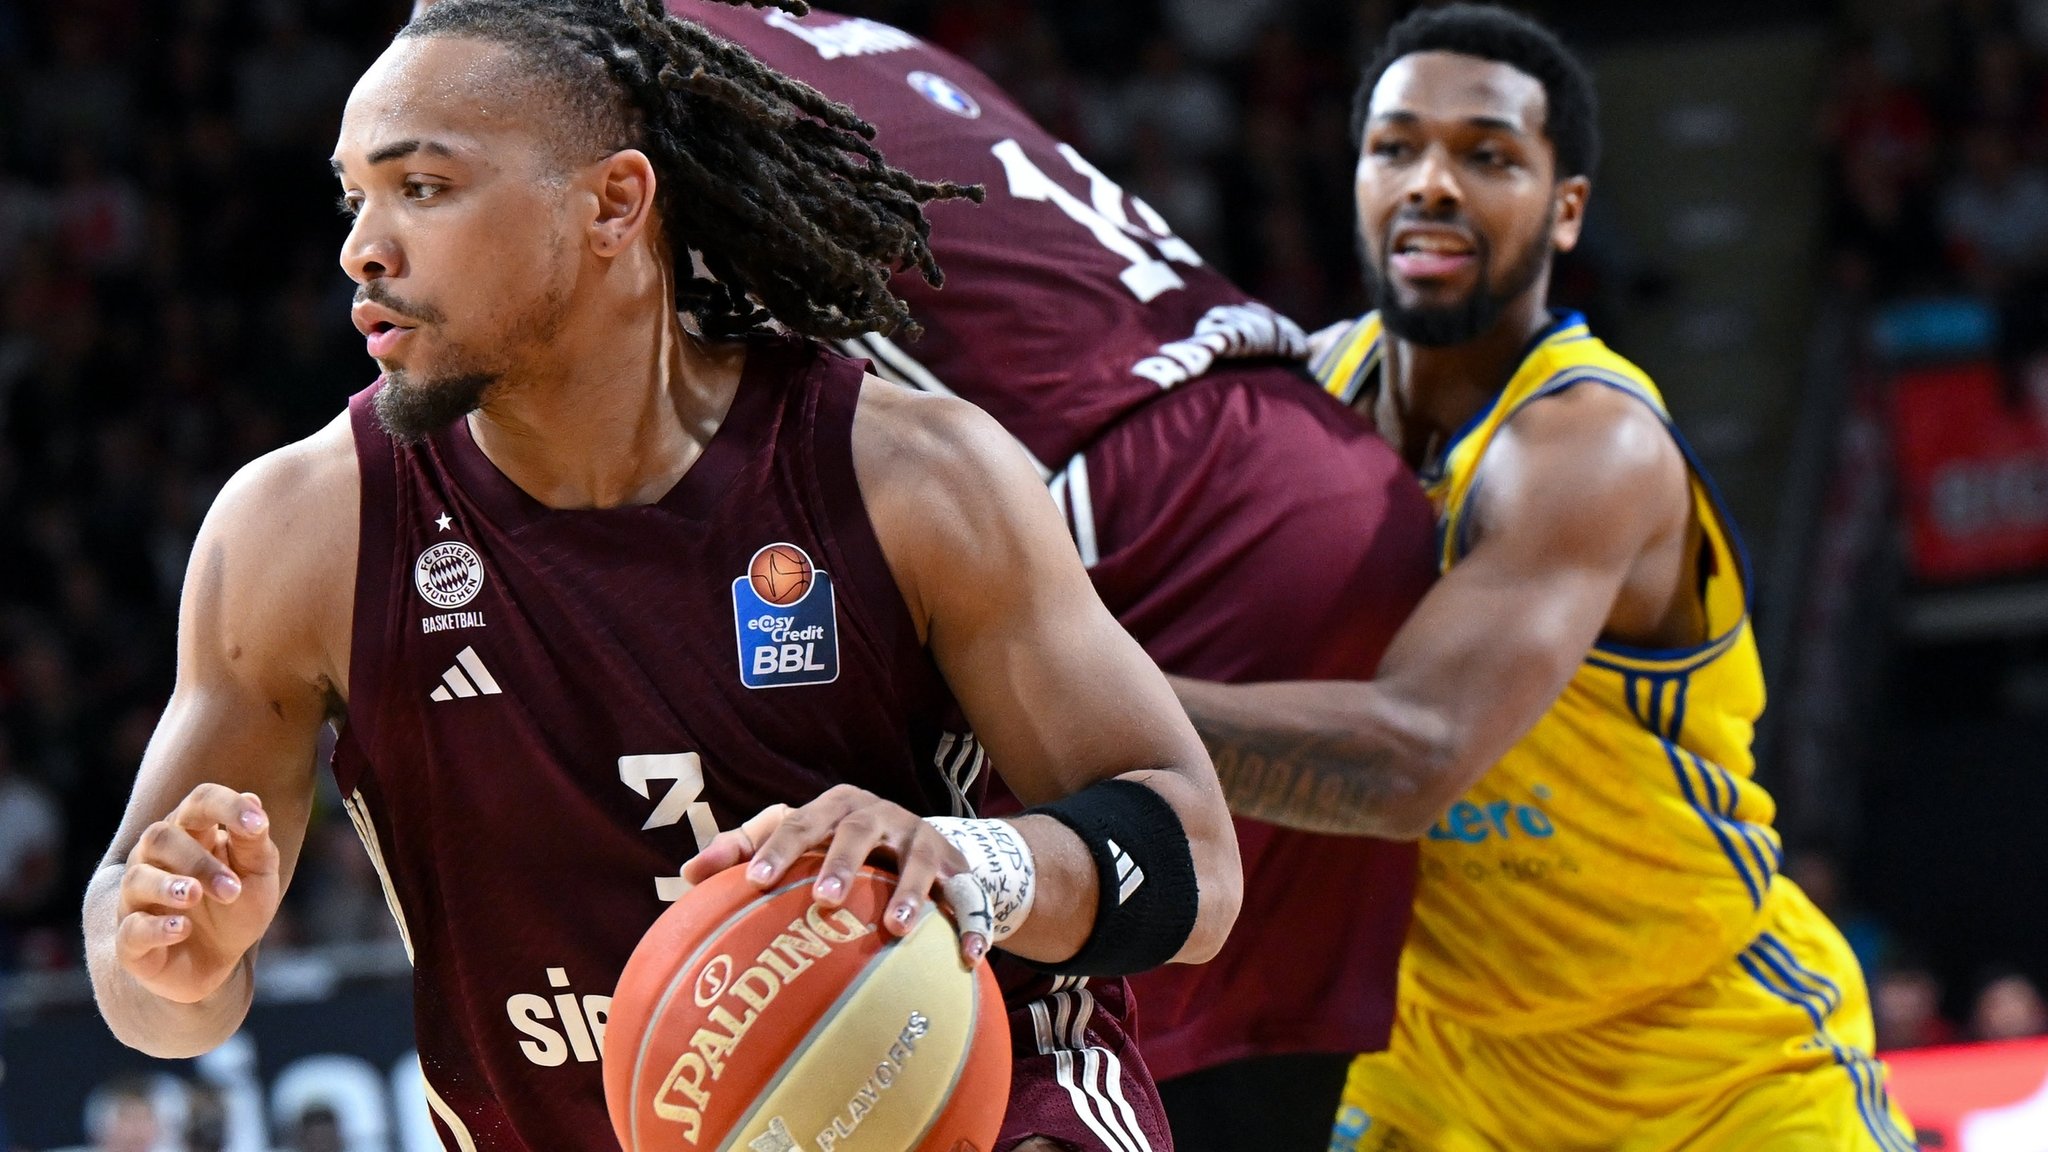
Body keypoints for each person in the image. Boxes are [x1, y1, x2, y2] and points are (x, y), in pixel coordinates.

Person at [80, 4, 1243, 1152]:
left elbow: (1191, 854)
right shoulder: (299, 532)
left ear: (613, 203)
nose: (362, 247)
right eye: (356, 198)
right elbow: (149, 986)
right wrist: (173, 956)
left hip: (962, 1104)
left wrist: (967, 862)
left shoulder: (906, 475)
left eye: (421, 188)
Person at [667, 5, 1438, 1149]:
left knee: (1011, 995)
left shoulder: (618, 55)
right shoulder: (856, 38)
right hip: (1305, 443)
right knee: (1242, 1056)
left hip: (1142, 498)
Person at [1168, 6, 1919, 1150]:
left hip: (1708, 1063)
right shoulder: (1296, 400)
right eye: (1395, 146)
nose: (1429, 182)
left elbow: (1408, 756)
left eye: (1485, 155)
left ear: (1566, 208)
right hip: (1443, 1064)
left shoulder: (1587, 446)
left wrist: (1083, 696)